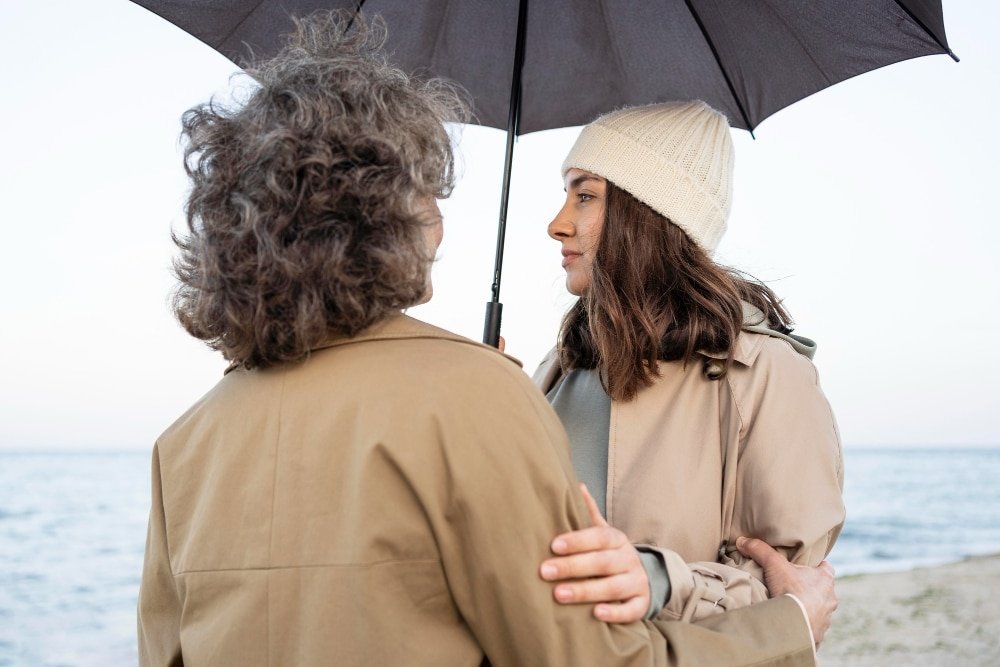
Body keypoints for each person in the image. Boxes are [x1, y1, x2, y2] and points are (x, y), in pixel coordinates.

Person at [137, 13, 835, 666]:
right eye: (427, 190)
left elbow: (788, 566)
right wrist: (477, 400)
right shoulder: (512, 384)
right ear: (385, 211)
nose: (556, 222)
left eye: (584, 194)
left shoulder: (182, 447)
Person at [534, 102, 846, 627]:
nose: (557, 224)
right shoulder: (559, 366)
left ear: (652, 214)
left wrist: (655, 582)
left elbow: (793, 597)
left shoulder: (767, 373)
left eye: (584, 196)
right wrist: (490, 411)